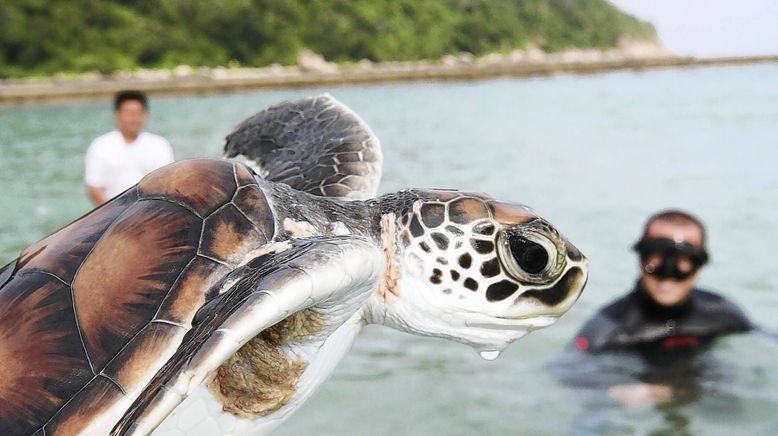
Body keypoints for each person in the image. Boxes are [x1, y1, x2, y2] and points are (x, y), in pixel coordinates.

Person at [570, 209, 753, 406]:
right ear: (640, 259)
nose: (668, 273)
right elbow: (567, 372)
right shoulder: (609, 326)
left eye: (683, 261)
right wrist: (610, 391)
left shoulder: (723, 314)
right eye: (656, 258)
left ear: (699, 265)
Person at [85, 90, 173, 205]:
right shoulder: (100, 145)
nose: (134, 118)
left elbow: (168, 185)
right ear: (118, 115)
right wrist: (114, 215)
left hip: (151, 213)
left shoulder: (160, 145)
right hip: (112, 215)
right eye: (129, 113)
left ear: (145, 115)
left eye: (138, 113)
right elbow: (94, 189)